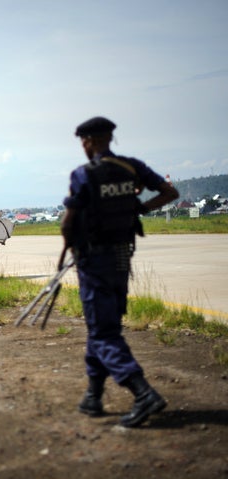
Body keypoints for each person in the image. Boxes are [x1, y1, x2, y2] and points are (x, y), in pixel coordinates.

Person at [61, 116, 179, 428]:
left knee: (102, 331)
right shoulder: (132, 167)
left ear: (88, 142)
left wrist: (70, 249)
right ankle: (93, 395)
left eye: (83, 142)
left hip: (94, 261)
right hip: (122, 257)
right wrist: (139, 208)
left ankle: (143, 393)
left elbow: (68, 221)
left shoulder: (83, 174)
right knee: (103, 326)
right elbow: (169, 192)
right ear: (109, 138)